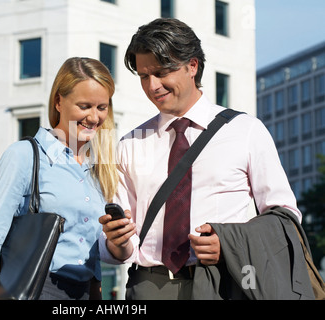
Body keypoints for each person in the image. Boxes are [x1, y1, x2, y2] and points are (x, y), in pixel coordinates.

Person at [98, 18, 302, 300]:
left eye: (160, 72)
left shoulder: (245, 131)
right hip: (149, 287)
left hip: (225, 283)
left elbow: (286, 217)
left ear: (192, 66)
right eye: (144, 76)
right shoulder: (129, 144)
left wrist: (230, 243)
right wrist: (115, 243)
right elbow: (124, 247)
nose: (152, 86)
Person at [0, 57, 118, 300]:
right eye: (84, 106)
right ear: (59, 101)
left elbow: (93, 256)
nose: (94, 117)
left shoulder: (97, 169)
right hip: (38, 289)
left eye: (102, 107)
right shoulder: (24, 156)